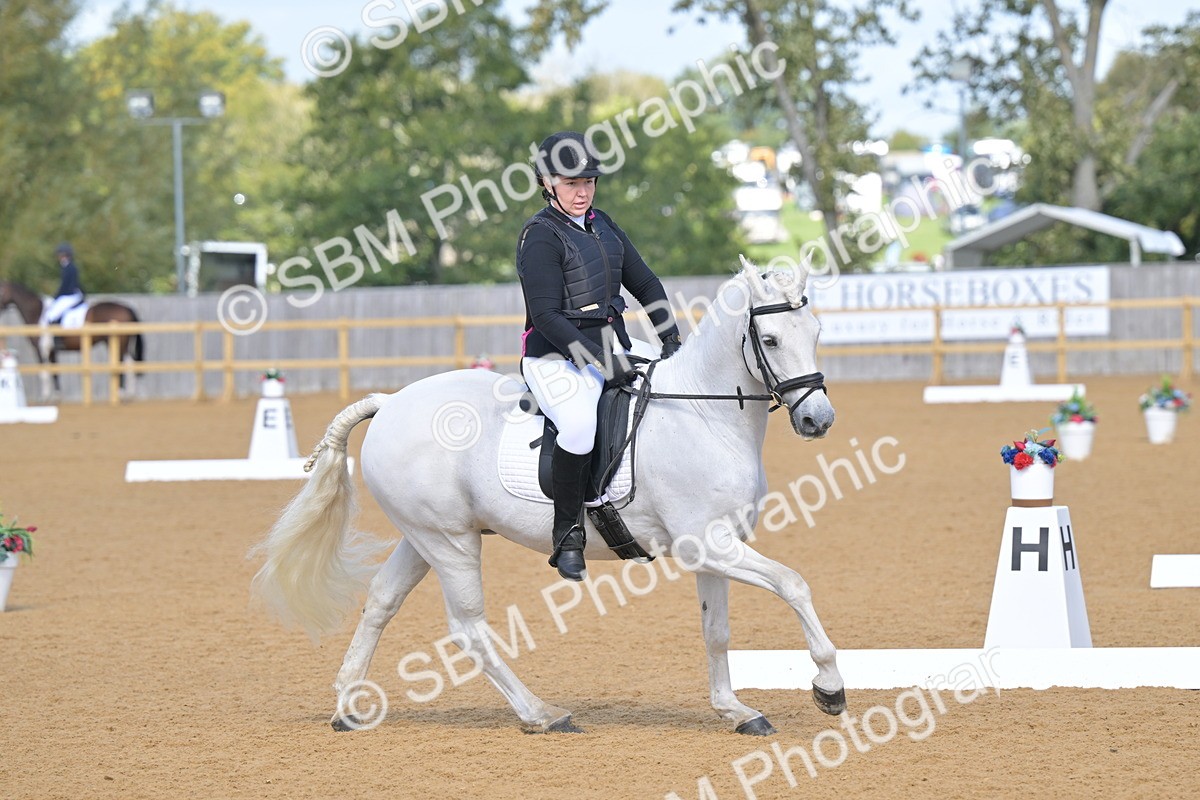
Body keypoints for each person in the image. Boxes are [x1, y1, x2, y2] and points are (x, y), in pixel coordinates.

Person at [516, 131, 683, 582]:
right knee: (578, 425)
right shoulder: (540, 236)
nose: (583, 191)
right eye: (572, 183)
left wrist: (671, 340)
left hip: (617, 345)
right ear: (547, 183)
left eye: (589, 181)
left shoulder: (603, 224)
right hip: (556, 357)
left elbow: (646, 284)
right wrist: (600, 361)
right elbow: (548, 316)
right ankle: (568, 534)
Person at [44, 243, 86, 325]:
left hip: (69, 296)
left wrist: (56, 296)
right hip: (75, 294)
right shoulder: (71, 266)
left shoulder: (67, 267)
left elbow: (65, 285)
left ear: (63, 255)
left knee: (51, 315)